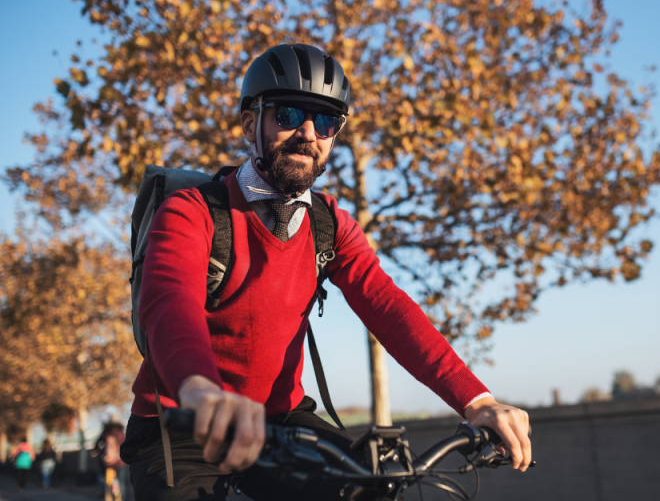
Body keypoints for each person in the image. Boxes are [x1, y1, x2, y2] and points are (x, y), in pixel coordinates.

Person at [120, 43, 531, 501]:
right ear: (250, 123)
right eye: (289, 115)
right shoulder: (193, 211)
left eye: (327, 121)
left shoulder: (329, 224)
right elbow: (169, 303)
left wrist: (478, 401)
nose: (309, 133)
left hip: (280, 420)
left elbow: (388, 307)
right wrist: (199, 390)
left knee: (370, 490)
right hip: (182, 420)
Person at [93, 421, 127, 501]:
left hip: (106, 462)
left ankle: (104, 494)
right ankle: (121, 497)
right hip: (119, 462)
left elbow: (97, 445)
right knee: (120, 481)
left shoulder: (105, 433)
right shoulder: (121, 433)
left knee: (104, 481)